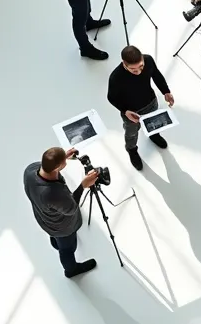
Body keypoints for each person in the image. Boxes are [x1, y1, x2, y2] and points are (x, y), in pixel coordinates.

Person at [24, 147, 103, 277]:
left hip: (45, 219)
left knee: (57, 240)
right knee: (67, 249)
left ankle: (56, 242)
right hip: (62, 227)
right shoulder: (53, 193)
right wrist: (83, 185)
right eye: (63, 163)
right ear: (57, 168)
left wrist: (63, 157)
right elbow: (71, 208)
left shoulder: (30, 170)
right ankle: (71, 270)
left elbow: (49, 168)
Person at [107, 45, 175, 171]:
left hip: (151, 102)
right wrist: (125, 111)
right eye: (133, 69)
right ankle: (132, 150)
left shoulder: (148, 60)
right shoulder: (116, 77)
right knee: (131, 133)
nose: (138, 71)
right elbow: (111, 97)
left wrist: (166, 91)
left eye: (141, 66)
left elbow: (156, 75)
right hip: (131, 112)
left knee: (154, 124)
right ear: (124, 64)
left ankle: (153, 135)